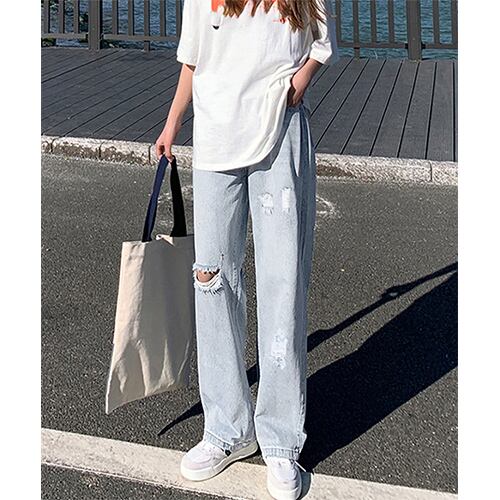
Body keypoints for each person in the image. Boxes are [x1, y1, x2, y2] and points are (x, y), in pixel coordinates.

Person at [155, 1, 338, 498]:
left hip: (279, 135)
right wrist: (172, 122)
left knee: (283, 283)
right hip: (215, 138)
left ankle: (280, 439)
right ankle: (227, 428)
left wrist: (297, 86)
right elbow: (193, 58)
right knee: (212, 282)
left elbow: (322, 43)